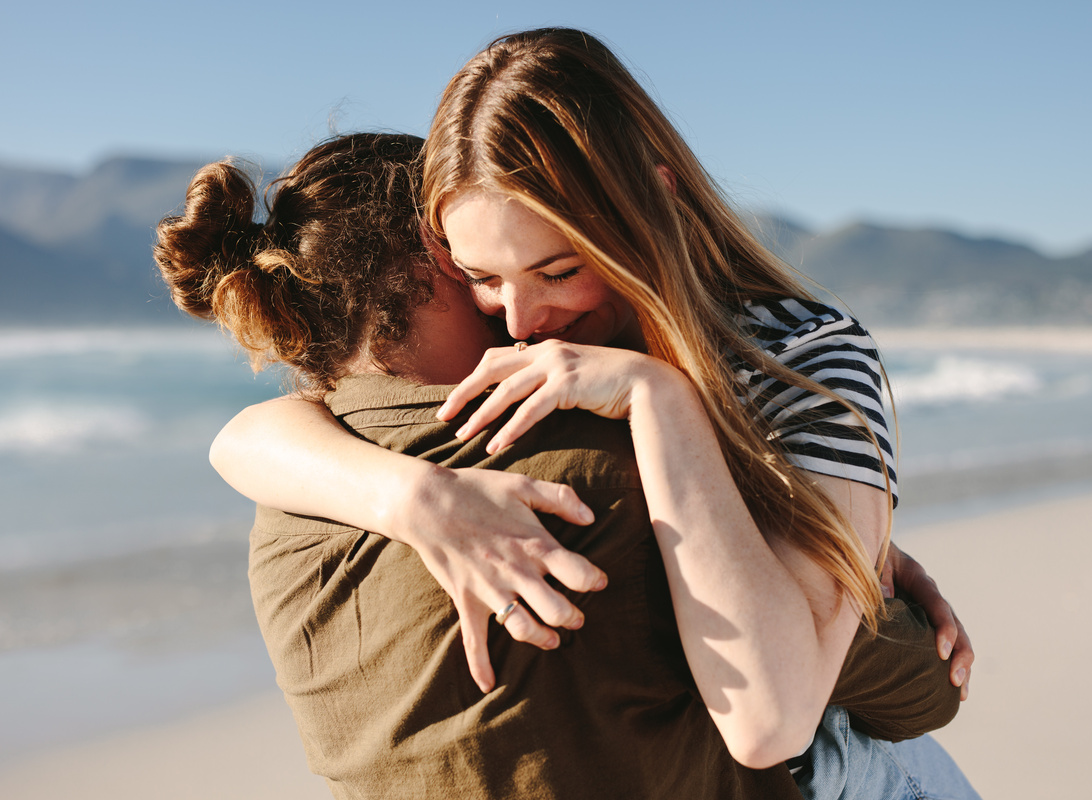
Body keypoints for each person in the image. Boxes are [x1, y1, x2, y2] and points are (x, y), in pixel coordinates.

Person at [209, 28, 977, 796]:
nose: (519, 320)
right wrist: (417, 498)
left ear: (655, 200)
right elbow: (244, 439)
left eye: (558, 269)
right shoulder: (515, 366)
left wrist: (660, 398)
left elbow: (769, 721)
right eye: (482, 277)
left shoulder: (801, 356)